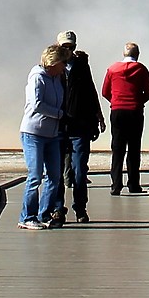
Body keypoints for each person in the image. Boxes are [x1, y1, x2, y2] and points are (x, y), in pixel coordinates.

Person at [19, 44, 69, 228]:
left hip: (52, 134)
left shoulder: (57, 78)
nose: (65, 66)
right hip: (34, 133)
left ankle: (44, 214)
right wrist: (58, 114)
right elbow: (36, 104)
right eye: (63, 62)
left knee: (55, 176)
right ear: (54, 62)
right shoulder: (37, 77)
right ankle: (27, 217)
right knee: (35, 176)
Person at [58, 30, 104, 223]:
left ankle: (80, 209)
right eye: (65, 46)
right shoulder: (52, 65)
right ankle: (58, 208)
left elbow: (91, 91)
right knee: (57, 171)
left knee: (80, 170)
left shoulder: (82, 65)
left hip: (80, 126)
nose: (68, 50)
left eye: (71, 46)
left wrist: (98, 116)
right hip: (59, 127)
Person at [102, 41, 149, 194]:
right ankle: (133, 184)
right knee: (134, 148)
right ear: (137, 54)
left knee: (117, 148)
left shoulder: (112, 69)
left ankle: (116, 185)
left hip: (117, 111)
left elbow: (105, 91)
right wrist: (138, 102)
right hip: (135, 112)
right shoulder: (141, 69)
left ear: (124, 54)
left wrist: (116, 101)